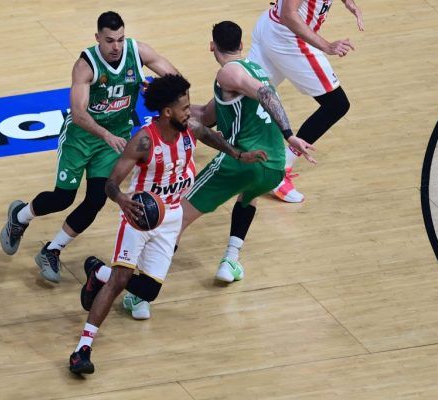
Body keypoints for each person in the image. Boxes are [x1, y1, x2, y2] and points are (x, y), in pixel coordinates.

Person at [68, 74, 267, 374]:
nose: (190, 111)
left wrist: (238, 154)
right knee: (121, 280)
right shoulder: (144, 140)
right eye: (184, 108)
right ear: (166, 112)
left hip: (171, 217)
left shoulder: (190, 128)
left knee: (148, 290)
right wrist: (122, 200)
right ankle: (82, 349)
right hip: (139, 216)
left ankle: (98, 272)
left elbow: (209, 135)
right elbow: (111, 183)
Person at [0, 11, 177, 283]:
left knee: (96, 199)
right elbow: (79, 114)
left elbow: (176, 81)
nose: (116, 46)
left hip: (112, 138)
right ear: (97, 38)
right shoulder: (85, 66)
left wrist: (156, 89)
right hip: (81, 138)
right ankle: (20, 216)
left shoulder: (138, 52)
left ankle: (52, 250)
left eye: (120, 39)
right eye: (110, 40)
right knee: (63, 198)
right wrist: (105, 135)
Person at [181, 21, 316, 283]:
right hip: (273, 167)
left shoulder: (228, 72)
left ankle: (142, 290)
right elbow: (205, 116)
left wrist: (290, 134)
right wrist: (165, 105)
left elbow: (266, 94)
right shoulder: (255, 71)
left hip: (243, 161)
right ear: (242, 45)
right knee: (248, 194)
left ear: (212, 46)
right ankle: (231, 260)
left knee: (177, 217)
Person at [248, 0, 364, 202]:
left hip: (272, 28)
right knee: (336, 104)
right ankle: (280, 169)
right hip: (289, 39)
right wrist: (327, 46)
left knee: (245, 91)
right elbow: (288, 14)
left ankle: (196, 121)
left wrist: (349, 3)